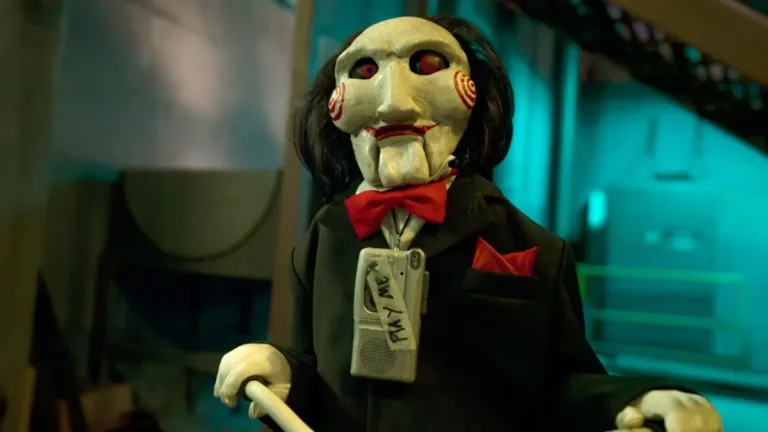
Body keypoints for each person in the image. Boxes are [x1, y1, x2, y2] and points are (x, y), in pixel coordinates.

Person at [214, 15, 723, 432]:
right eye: (365, 70)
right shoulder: (326, 234)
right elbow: (318, 366)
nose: (393, 102)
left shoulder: (531, 250)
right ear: (336, 106)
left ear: (473, 96)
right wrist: (283, 369)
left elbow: (560, 384)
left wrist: (635, 400)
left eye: (426, 65)